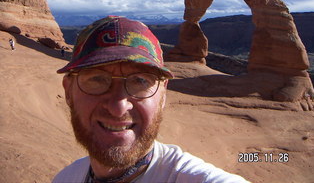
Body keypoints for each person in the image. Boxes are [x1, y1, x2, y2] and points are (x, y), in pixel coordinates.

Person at [53, 16, 249, 183]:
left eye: (140, 81)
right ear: (68, 91)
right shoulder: (66, 178)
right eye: (97, 79)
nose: (118, 107)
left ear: (163, 95)